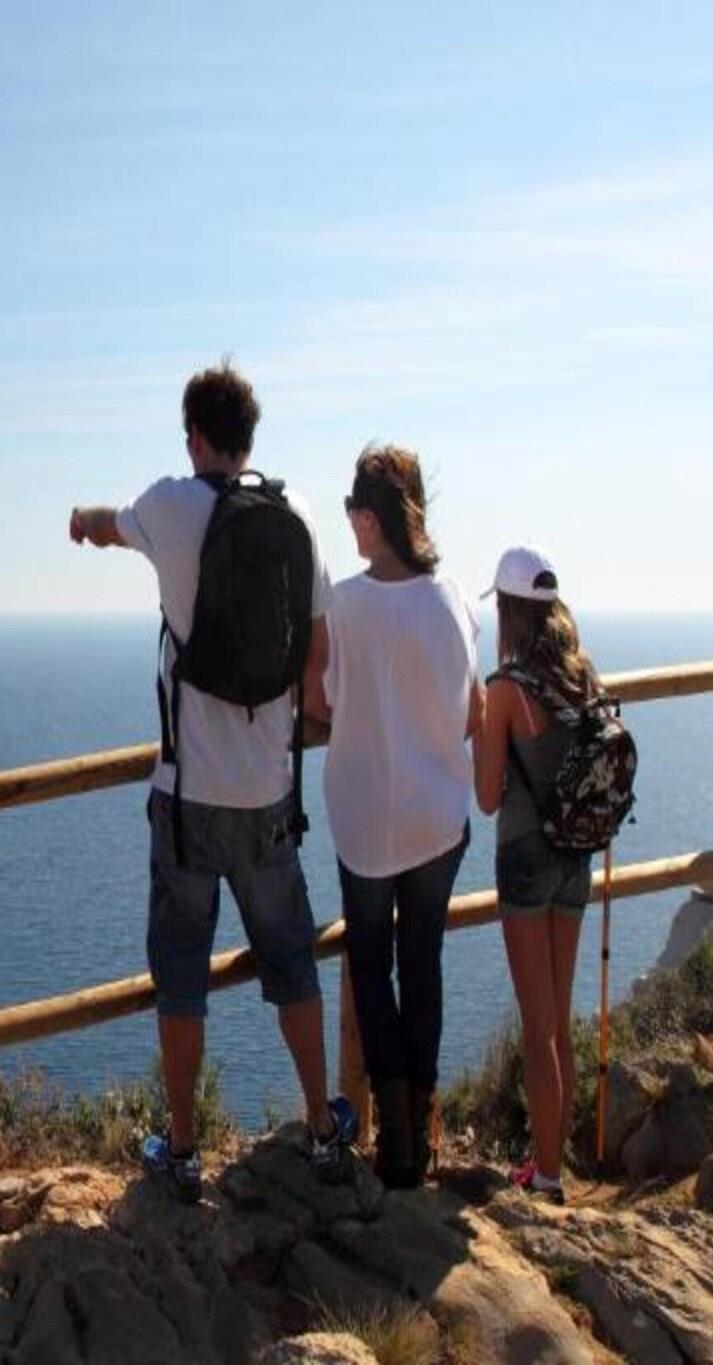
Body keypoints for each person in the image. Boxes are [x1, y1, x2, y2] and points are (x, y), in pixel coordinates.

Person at [68, 362, 355, 1200]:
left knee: (182, 974)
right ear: (249, 438)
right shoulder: (298, 516)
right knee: (292, 962)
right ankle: (322, 1126)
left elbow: (107, 526)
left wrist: (80, 521)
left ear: (195, 436)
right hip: (269, 793)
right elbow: (319, 659)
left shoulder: (169, 505)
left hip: (187, 797)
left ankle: (186, 1149)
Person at [309, 446, 478, 1189]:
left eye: (353, 510)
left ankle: (397, 1140)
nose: (349, 522)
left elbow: (320, 701)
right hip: (437, 817)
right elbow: (472, 712)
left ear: (372, 518)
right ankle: (422, 1120)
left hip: (367, 821)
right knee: (423, 961)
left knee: (371, 966)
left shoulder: (342, 606)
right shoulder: (455, 599)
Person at [474, 545, 601, 1206]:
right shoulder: (583, 675)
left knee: (537, 1026)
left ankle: (545, 1178)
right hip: (576, 855)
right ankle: (554, 1164)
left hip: (525, 859)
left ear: (507, 610)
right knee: (559, 1018)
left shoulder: (505, 688)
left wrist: (481, 732)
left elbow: (486, 796)